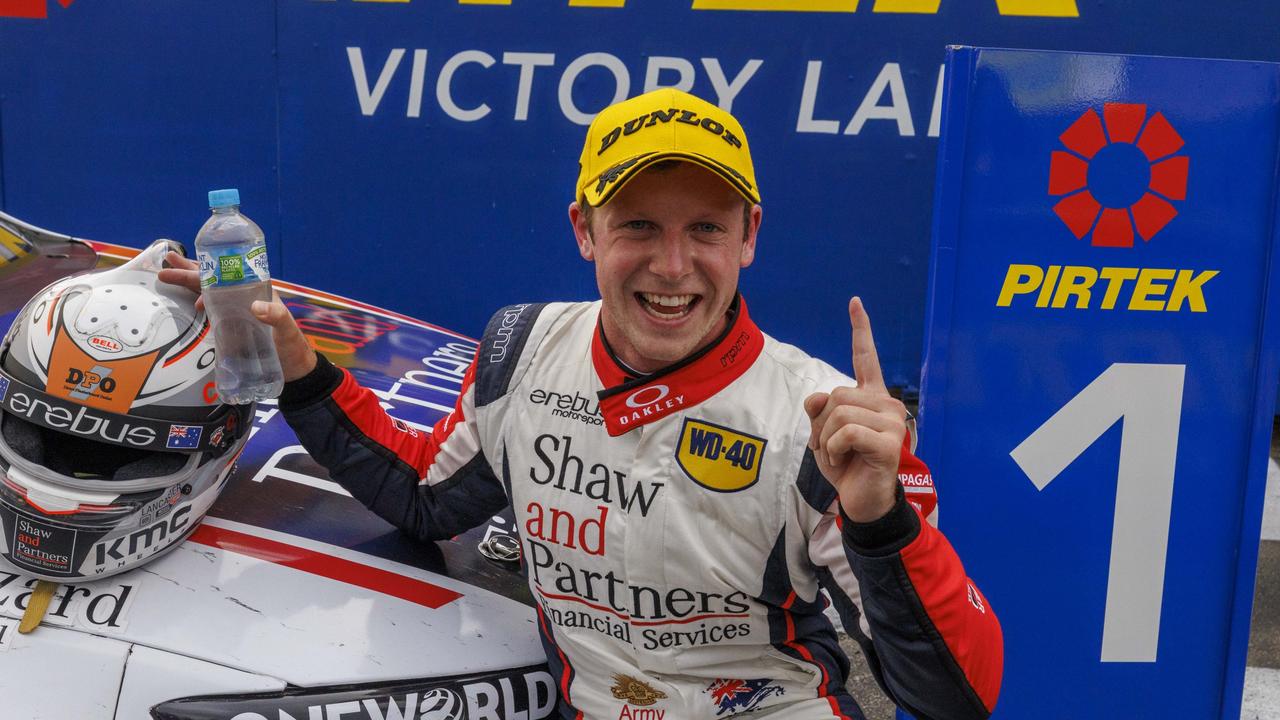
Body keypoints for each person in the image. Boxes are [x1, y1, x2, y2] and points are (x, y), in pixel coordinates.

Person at [161, 88, 1002, 720]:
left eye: (706, 230)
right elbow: (424, 497)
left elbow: (955, 697)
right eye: (637, 225)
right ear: (583, 230)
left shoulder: (819, 414)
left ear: (750, 234)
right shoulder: (524, 350)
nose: (673, 267)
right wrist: (305, 370)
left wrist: (880, 522)